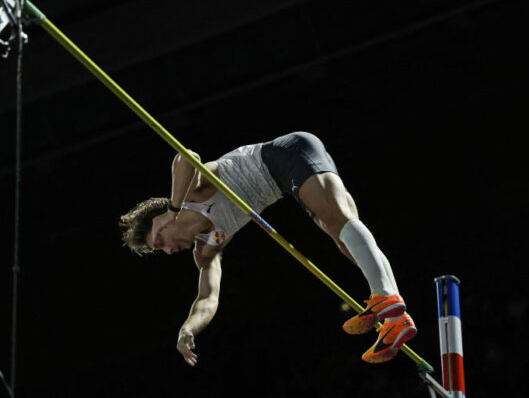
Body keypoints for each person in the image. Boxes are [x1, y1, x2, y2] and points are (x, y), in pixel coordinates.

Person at [119, 131, 416, 366]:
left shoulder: (191, 194)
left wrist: (173, 209)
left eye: (160, 241)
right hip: (286, 182)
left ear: (161, 220)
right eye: (161, 251)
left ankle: (386, 300)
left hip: (285, 154)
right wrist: (187, 330)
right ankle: (394, 319)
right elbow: (208, 298)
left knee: (339, 220)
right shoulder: (205, 248)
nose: (168, 251)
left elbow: (187, 156)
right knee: (341, 236)